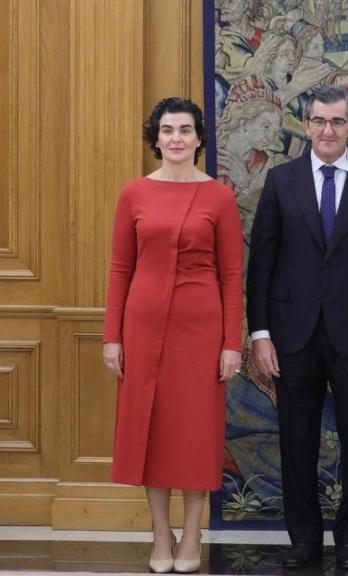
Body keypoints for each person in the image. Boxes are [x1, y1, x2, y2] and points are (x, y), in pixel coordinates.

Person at [246, 85, 348, 570]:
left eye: (337, 122)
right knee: (297, 441)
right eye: (318, 121)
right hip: (292, 335)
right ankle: (305, 540)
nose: (327, 130)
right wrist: (260, 335)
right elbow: (263, 264)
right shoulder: (281, 181)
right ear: (307, 124)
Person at [103, 97, 244, 574]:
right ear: (156, 139)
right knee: (153, 430)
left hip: (200, 331)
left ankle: (193, 533)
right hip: (142, 328)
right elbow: (121, 268)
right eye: (168, 130)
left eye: (186, 130)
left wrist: (231, 343)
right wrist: (112, 336)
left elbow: (232, 275)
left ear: (200, 139)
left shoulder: (219, 197)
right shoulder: (134, 194)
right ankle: (160, 534)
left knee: (196, 433)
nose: (177, 138)